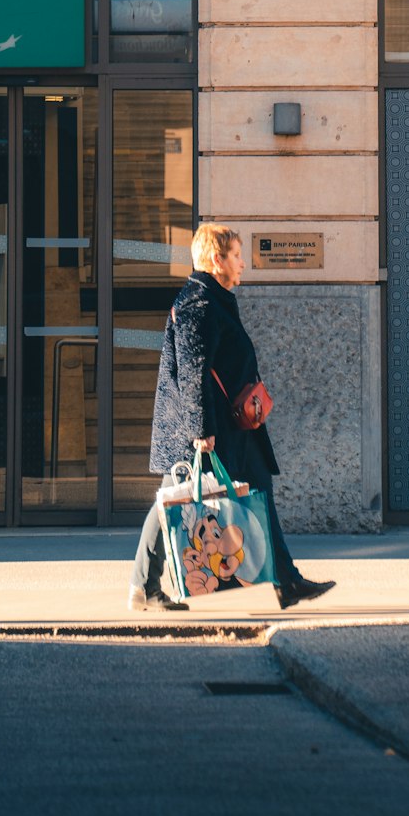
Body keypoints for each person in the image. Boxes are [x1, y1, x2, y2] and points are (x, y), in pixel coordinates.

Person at [129, 222, 335, 612]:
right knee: (174, 501)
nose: (243, 264)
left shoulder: (216, 299)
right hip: (209, 430)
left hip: (234, 428)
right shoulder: (198, 303)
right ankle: (144, 587)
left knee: (258, 488)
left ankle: (286, 581)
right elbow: (192, 370)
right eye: (237, 256)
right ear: (215, 259)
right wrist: (201, 431)